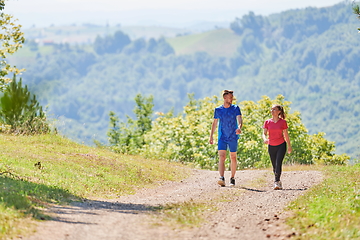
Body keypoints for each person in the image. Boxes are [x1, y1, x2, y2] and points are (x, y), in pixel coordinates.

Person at [209, 90, 243, 187]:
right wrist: (211, 136)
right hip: (222, 137)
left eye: (232, 97)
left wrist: (239, 128)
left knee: (233, 157)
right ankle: (221, 177)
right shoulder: (218, 110)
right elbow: (214, 123)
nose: (232, 99)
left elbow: (240, 119)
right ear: (224, 98)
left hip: (233, 136)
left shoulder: (236, 108)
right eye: (230, 97)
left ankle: (232, 178)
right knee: (222, 157)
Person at [262, 104, 292, 190]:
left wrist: (289, 146)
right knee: (274, 165)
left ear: (279, 112)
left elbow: (286, 134)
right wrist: (265, 139)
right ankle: (278, 181)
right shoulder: (267, 122)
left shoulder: (283, 122)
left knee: (278, 163)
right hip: (271, 145)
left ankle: (277, 182)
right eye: (271, 109)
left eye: (274, 109)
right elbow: (264, 133)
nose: (272, 111)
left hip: (281, 145)